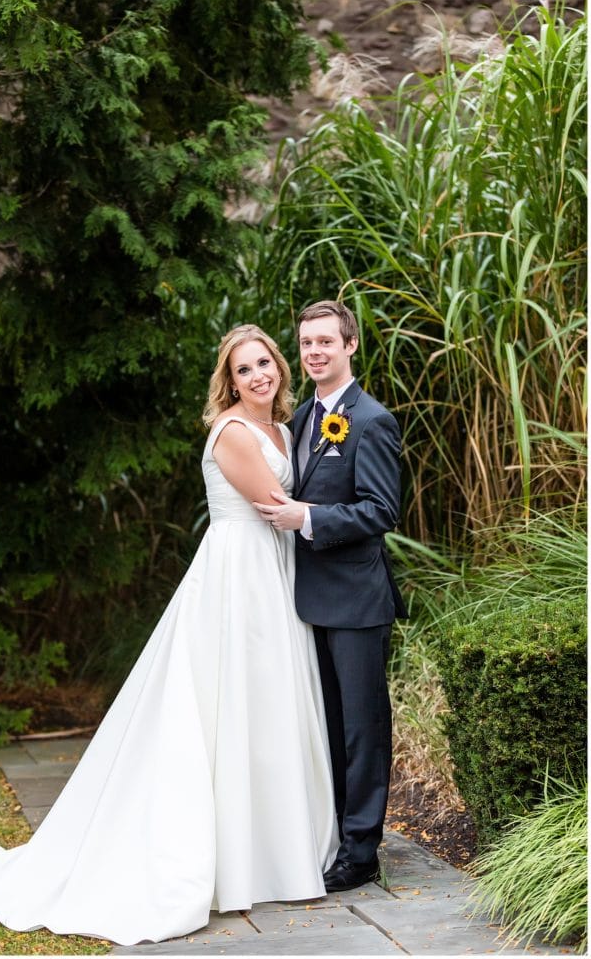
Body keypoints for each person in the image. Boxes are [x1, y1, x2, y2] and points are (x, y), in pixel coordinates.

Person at [0, 324, 338, 947]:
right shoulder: (234, 431)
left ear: (280, 366)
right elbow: (276, 507)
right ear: (230, 381)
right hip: (238, 577)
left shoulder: (286, 426)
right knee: (228, 706)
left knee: (267, 708)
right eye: (244, 369)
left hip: (273, 575)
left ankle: (273, 850)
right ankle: (228, 858)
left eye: (265, 364)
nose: (259, 376)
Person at [255, 300, 408, 893]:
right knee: (325, 724)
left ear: (350, 346)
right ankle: (334, 833)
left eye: (325, 341)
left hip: (357, 600)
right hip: (306, 598)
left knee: (362, 727)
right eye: (306, 343)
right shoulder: (299, 422)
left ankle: (362, 850)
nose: (314, 352)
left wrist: (307, 517)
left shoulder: (370, 420)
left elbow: (379, 510)